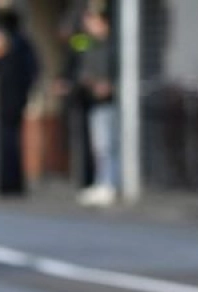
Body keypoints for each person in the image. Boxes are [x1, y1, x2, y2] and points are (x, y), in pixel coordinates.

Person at [0, 11, 40, 196]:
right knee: (7, 142)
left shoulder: (14, 47)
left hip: (9, 100)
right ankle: (8, 181)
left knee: (7, 142)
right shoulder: (21, 46)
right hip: (9, 100)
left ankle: (9, 182)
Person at [75, 2, 118, 207]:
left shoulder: (114, 46)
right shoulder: (87, 44)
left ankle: (110, 183)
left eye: (92, 21)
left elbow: (118, 73)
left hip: (109, 102)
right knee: (99, 145)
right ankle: (101, 182)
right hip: (92, 100)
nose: (88, 26)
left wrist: (110, 84)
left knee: (108, 144)